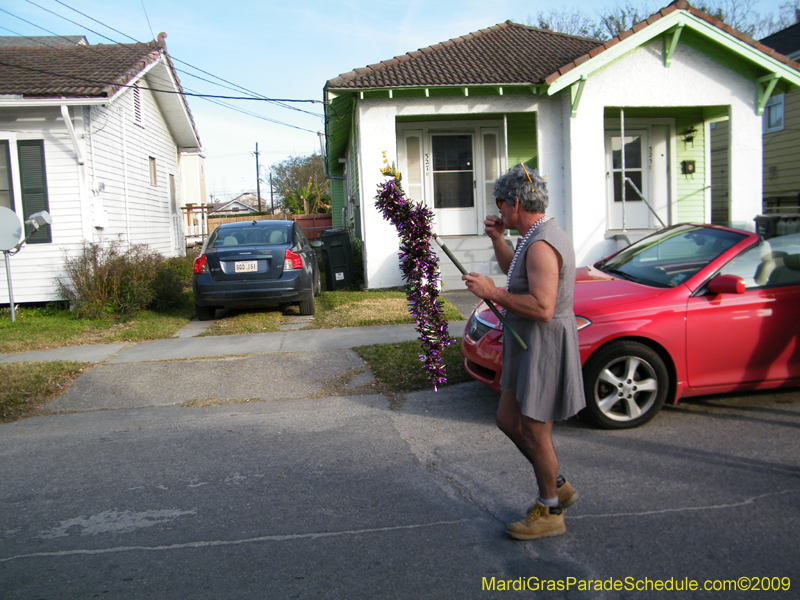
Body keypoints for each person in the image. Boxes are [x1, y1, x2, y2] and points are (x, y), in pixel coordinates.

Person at [462, 163, 585, 540]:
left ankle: (550, 508)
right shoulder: (531, 237)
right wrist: (499, 239)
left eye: (500, 203)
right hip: (528, 343)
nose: (498, 210)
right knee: (507, 418)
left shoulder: (544, 243)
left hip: (544, 345)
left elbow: (543, 307)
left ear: (516, 202)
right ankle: (558, 483)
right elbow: (516, 273)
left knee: (534, 429)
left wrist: (492, 293)